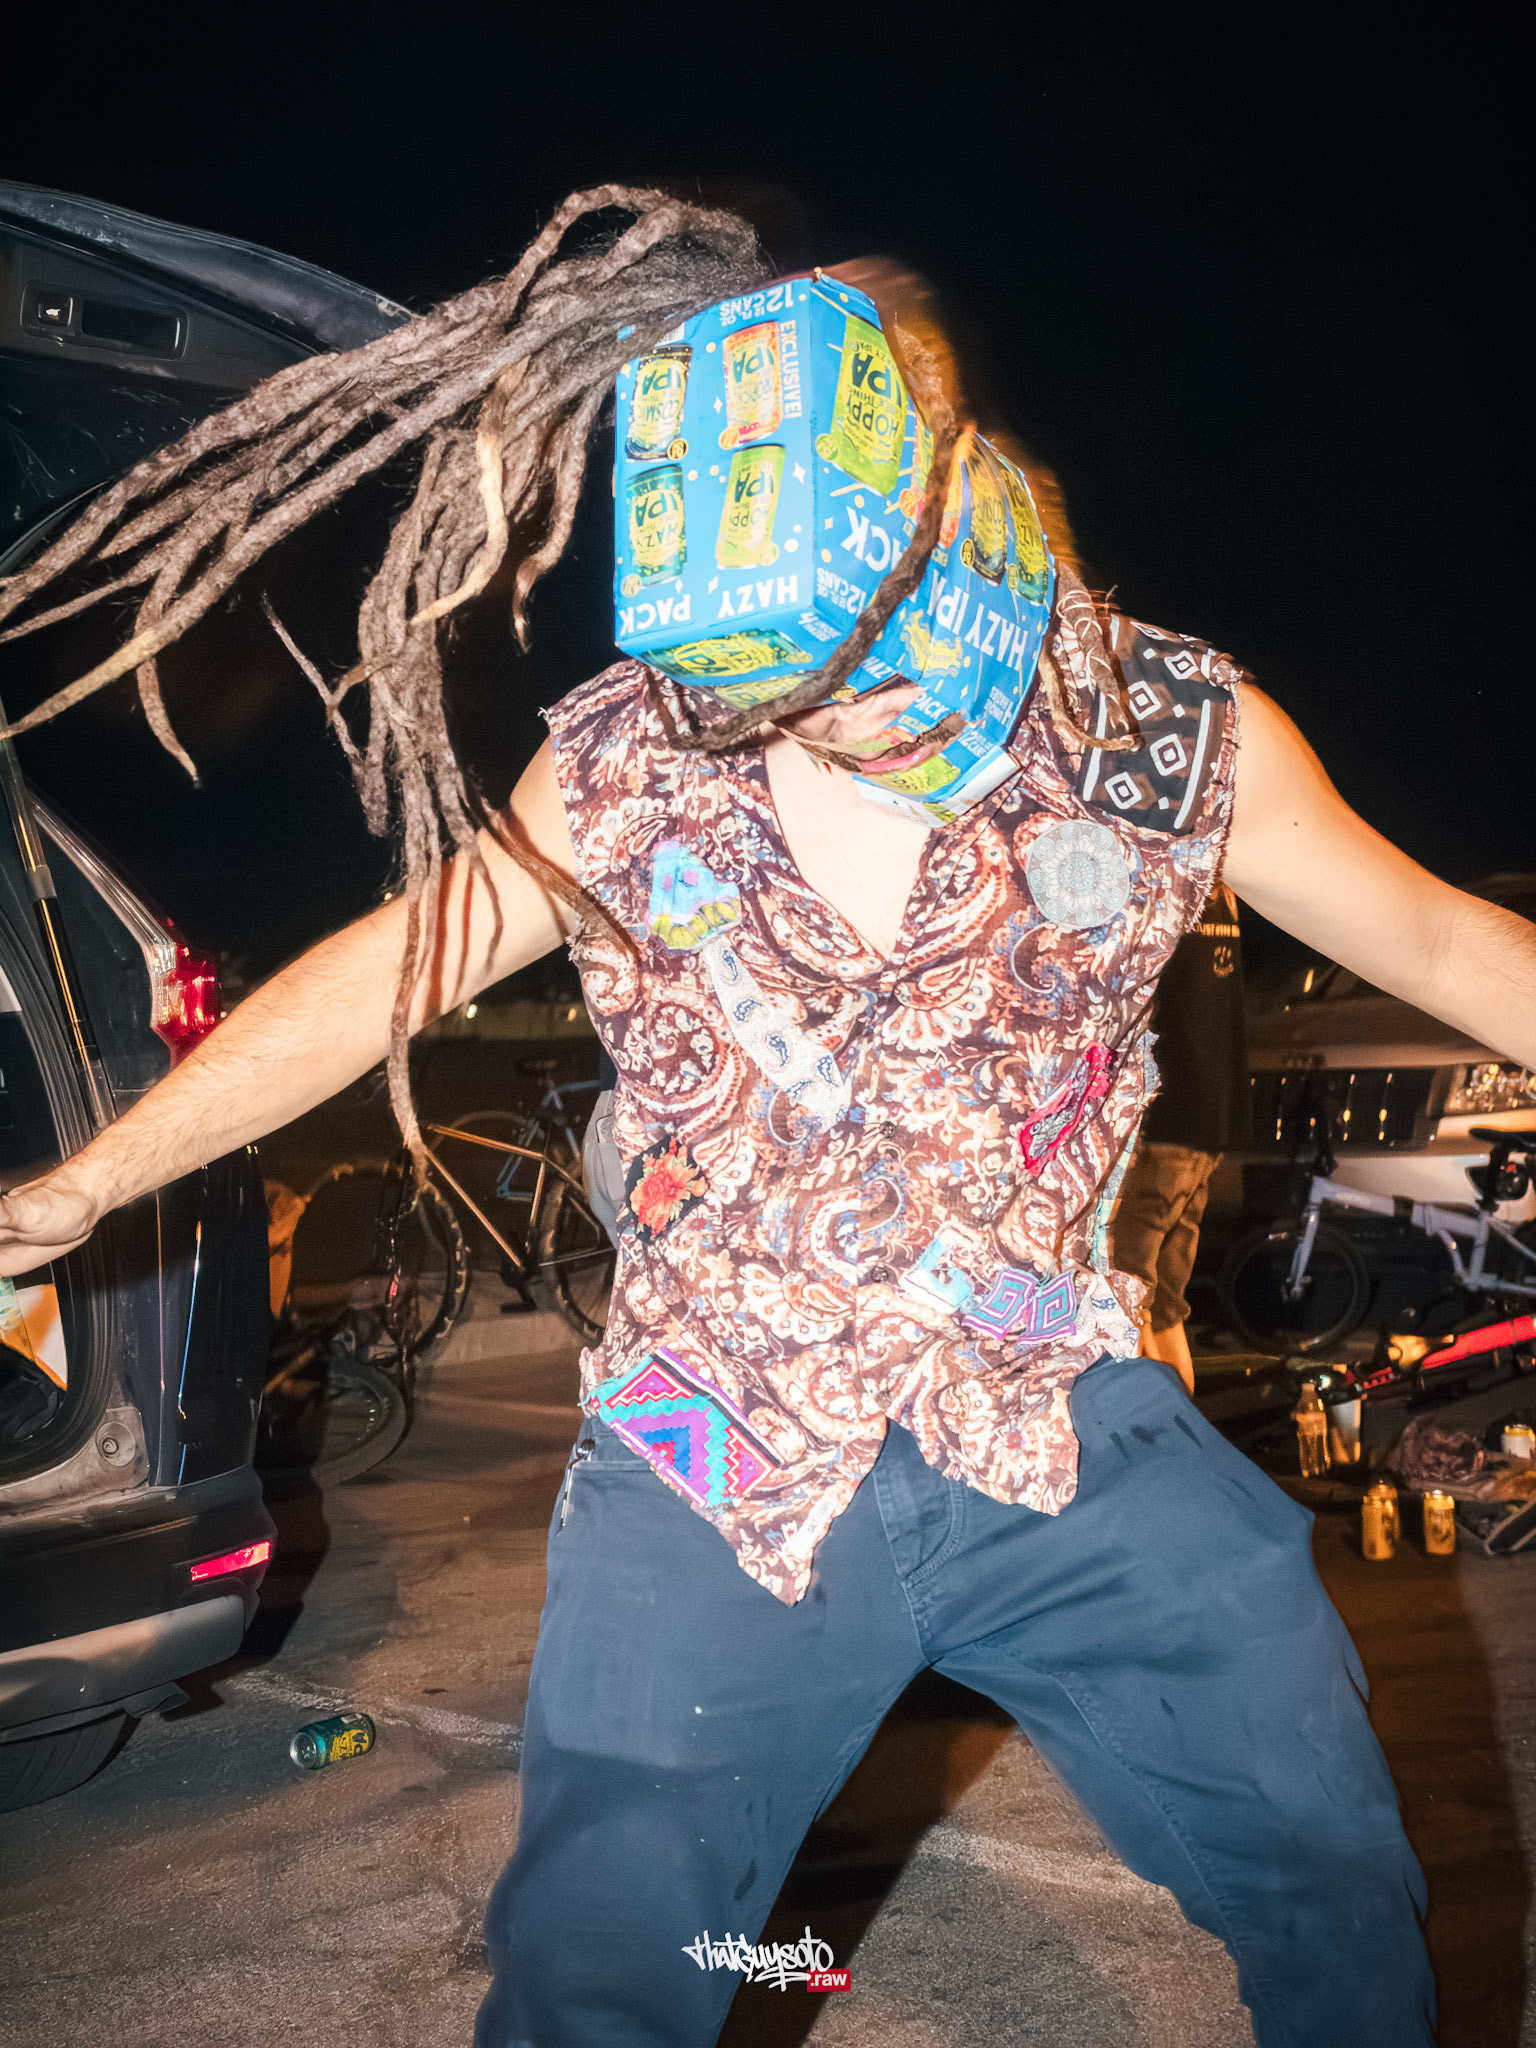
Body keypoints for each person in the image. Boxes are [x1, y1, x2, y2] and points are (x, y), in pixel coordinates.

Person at [3, 189, 1532, 2048]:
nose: (826, 720)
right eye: (774, 692)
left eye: (868, 667)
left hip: (1055, 1411)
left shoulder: (1174, 740)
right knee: (604, 1979)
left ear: (957, 520)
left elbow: (1444, 940)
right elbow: (392, 967)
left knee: (1334, 1880)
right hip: (712, 1447)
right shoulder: (632, 754)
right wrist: (88, 1182)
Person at [1111, 881, 1249, 1391]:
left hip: (1164, 1115)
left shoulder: (1157, 884)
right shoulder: (1220, 893)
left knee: (1125, 1287)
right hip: (1209, 1117)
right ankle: (1184, 1419)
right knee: (1166, 1303)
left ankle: (1147, 1425)